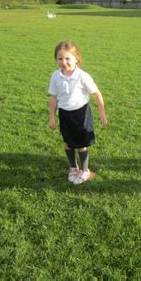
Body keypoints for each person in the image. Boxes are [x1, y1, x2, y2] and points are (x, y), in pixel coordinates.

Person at [48, 41, 107, 184]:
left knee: (81, 144)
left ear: (76, 59)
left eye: (68, 58)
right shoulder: (56, 76)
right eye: (60, 58)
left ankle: (84, 170)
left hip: (81, 114)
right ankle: (73, 168)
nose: (64, 62)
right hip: (65, 114)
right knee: (67, 143)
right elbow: (53, 98)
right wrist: (52, 117)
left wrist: (102, 112)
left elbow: (96, 94)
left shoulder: (82, 76)